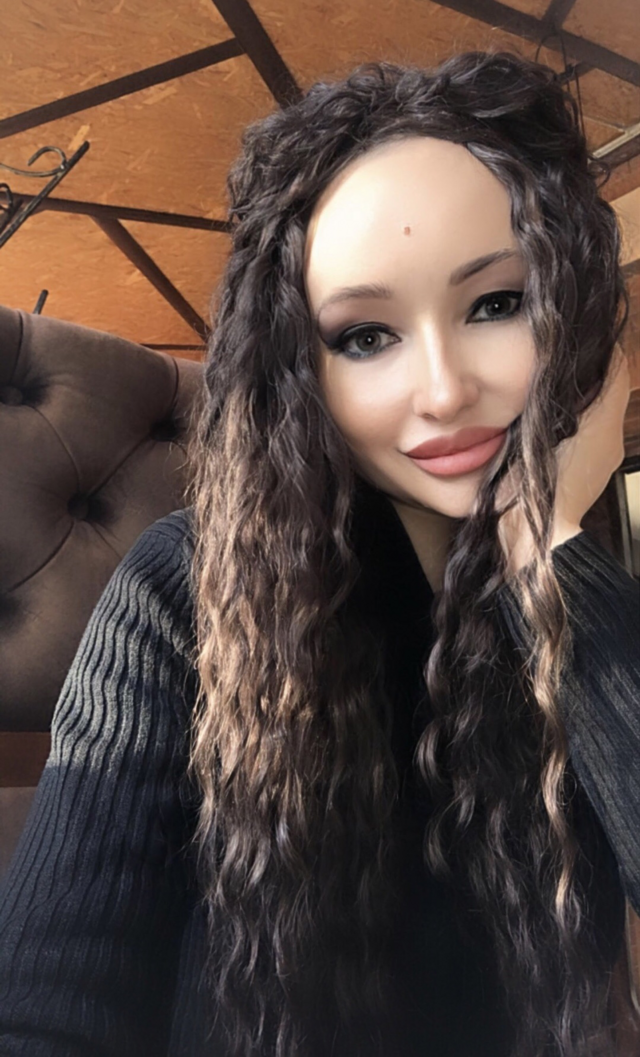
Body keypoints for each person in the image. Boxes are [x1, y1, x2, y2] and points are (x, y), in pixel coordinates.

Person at [0, 50, 638, 1057]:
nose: (443, 390)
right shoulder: (184, 586)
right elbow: (42, 1007)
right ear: (300, 368)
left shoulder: (585, 589)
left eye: (497, 303)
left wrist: (546, 552)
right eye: (364, 336)